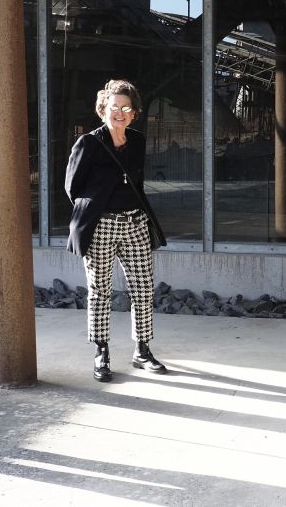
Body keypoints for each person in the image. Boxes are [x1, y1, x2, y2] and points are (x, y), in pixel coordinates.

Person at [65, 79, 168, 382]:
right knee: (99, 291)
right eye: (114, 107)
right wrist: (95, 208)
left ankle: (143, 350)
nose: (119, 112)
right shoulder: (88, 143)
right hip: (102, 225)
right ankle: (101, 351)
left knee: (144, 287)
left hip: (134, 222)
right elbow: (72, 187)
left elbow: (136, 181)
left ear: (134, 113)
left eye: (126, 108)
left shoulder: (136, 141)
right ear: (103, 110)